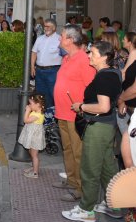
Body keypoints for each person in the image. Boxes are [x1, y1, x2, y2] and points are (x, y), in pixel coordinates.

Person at [63, 41, 123, 221]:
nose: (89, 55)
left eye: (93, 53)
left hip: (98, 127)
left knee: (90, 169)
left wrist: (81, 106)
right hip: (106, 126)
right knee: (107, 168)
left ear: (104, 57)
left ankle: (86, 210)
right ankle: (115, 206)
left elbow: (103, 106)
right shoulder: (112, 73)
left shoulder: (105, 77)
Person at [52, 25, 96, 202]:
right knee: (68, 149)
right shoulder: (66, 59)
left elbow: (92, 89)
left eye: (61, 37)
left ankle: (80, 188)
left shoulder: (84, 60)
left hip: (75, 115)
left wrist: (83, 108)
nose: (59, 39)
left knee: (78, 152)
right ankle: (71, 180)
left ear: (70, 40)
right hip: (62, 113)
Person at [31, 18, 62, 109]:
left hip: (53, 71)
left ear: (54, 28)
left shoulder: (59, 39)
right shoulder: (40, 38)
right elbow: (34, 52)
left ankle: (54, 116)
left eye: (48, 26)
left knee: (53, 94)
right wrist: (32, 67)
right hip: (39, 71)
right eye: (45, 26)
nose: (46, 28)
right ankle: (42, 116)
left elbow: (66, 56)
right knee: (40, 94)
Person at [18, 94, 46, 178]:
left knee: (34, 155)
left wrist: (27, 110)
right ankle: (34, 166)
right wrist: (31, 110)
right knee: (32, 152)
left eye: (31, 103)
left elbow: (25, 120)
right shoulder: (37, 111)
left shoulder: (36, 115)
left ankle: (35, 173)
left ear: (38, 105)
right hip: (33, 136)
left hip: (35, 137)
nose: (29, 105)